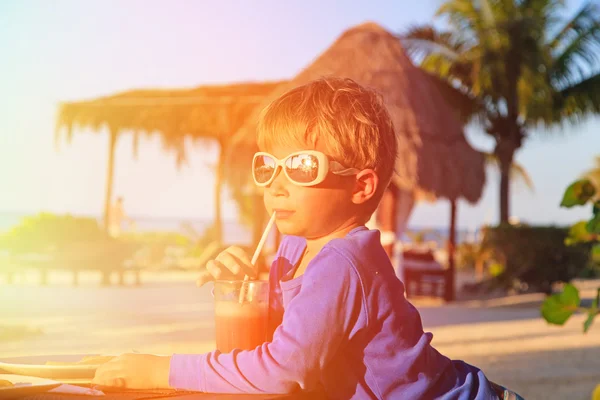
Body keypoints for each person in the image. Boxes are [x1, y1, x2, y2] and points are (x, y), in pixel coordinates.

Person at [92, 77, 522, 399]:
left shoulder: (343, 262)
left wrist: (161, 370)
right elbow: (289, 346)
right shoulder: (293, 248)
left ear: (361, 186)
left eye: (301, 167)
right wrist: (250, 292)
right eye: (268, 166)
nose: (275, 185)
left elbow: (281, 371)